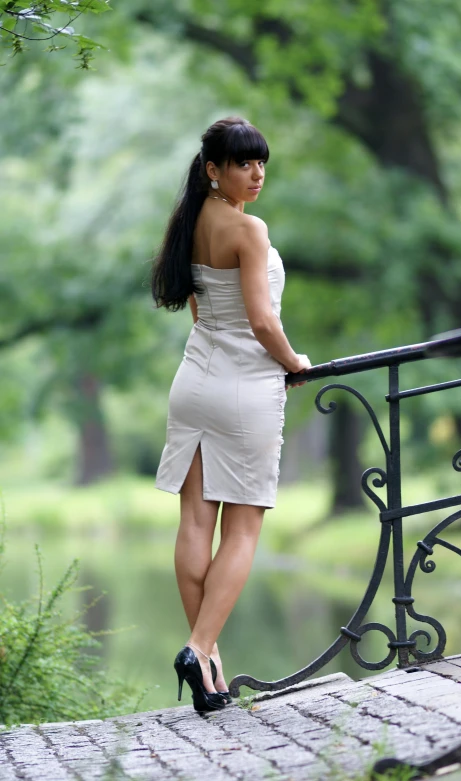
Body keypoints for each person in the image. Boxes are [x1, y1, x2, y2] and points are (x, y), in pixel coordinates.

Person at [151, 116, 311, 712]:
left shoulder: (189, 225)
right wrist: (294, 362)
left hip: (195, 380)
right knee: (243, 527)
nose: (257, 173)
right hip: (245, 388)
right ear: (213, 170)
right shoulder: (249, 230)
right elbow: (263, 320)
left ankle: (212, 672)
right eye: (244, 163)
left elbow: (201, 311)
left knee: (195, 523)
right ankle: (198, 646)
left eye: (261, 162)